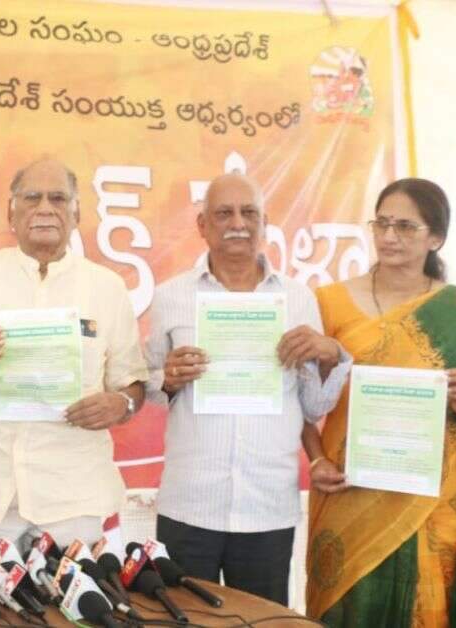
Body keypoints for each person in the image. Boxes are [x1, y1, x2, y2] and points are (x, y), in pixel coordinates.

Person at [145, 172, 351, 605]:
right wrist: (167, 379)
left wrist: (329, 356)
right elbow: (147, 384)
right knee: (184, 617)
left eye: (249, 212)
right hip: (190, 502)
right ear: (203, 225)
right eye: (224, 213)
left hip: (266, 506)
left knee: (262, 621)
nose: (238, 223)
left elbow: (313, 405)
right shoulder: (170, 297)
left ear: (265, 223)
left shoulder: (298, 299)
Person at [0, 157, 147, 549]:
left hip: (75, 496)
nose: (45, 208)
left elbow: (132, 384)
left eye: (58, 198)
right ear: (11, 212)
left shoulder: (107, 288)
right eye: (32, 197)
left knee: (77, 592)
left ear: (76, 213)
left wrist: (121, 404)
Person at [303, 178, 456, 626]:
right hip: (347, 488)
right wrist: (316, 459)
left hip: (430, 501)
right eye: (382, 223)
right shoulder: (328, 302)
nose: (390, 236)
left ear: (436, 238)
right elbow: (297, 399)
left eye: (406, 227)